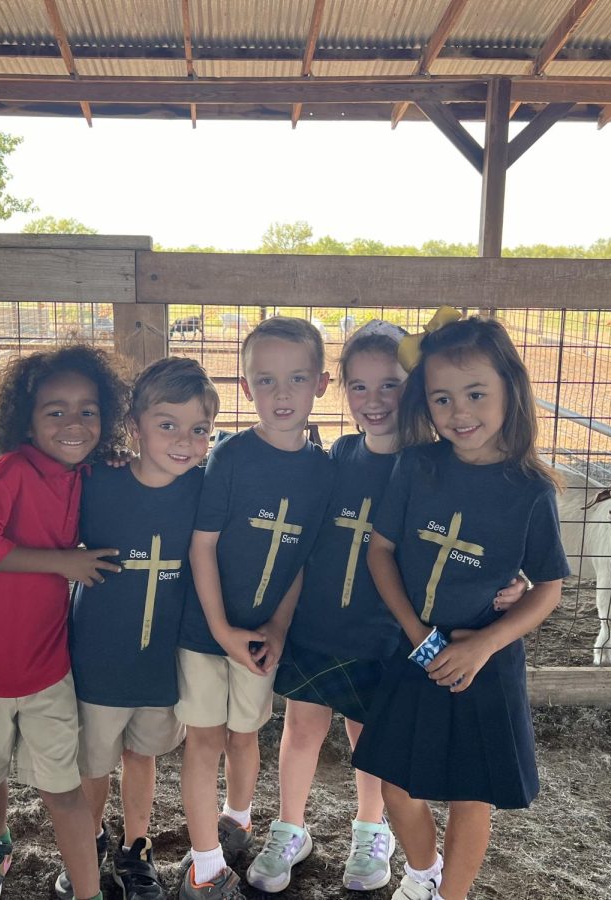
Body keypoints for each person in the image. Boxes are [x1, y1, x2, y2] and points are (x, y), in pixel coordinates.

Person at [253, 321, 528, 894]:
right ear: (342, 389)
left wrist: (513, 580)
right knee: (302, 725)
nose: (374, 400)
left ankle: (370, 829)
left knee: (369, 737)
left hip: (389, 635)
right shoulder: (338, 456)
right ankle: (291, 826)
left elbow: (475, 531)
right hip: (322, 622)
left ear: (416, 386)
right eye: (360, 386)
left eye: (391, 385)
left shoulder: (430, 466)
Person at [351, 310, 571, 900]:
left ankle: (453, 893)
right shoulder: (415, 467)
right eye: (442, 398)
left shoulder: (531, 490)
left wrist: (485, 644)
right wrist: (419, 635)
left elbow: (548, 586)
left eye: (475, 393)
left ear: (510, 389)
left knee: (471, 794)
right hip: (415, 652)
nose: (459, 412)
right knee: (396, 784)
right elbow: (381, 552)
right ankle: (422, 874)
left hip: (485, 662)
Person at [0, 346, 130, 900]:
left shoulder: (86, 473)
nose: (74, 424)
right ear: (25, 420)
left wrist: (118, 465)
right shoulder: (10, 473)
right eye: (56, 411)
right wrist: (63, 561)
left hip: (47, 668)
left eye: (88, 411)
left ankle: (88, 892)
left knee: (64, 789)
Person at [177, 316, 336, 899]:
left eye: (297, 378)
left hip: (262, 640)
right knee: (204, 738)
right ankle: (204, 862)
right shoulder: (231, 456)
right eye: (265, 381)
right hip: (204, 630)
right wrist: (221, 628)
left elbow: (302, 562)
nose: (282, 393)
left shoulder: (324, 472)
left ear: (321, 383)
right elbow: (203, 545)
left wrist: (275, 625)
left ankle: (237, 820)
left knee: (246, 736)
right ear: (246, 389)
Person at [55, 358, 220, 900]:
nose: (184, 441)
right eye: (167, 425)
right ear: (134, 427)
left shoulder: (203, 490)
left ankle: (137, 846)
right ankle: (89, 843)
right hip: (100, 659)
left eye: (199, 430)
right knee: (94, 764)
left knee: (142, 756)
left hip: (159, 663)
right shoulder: (98, 484)